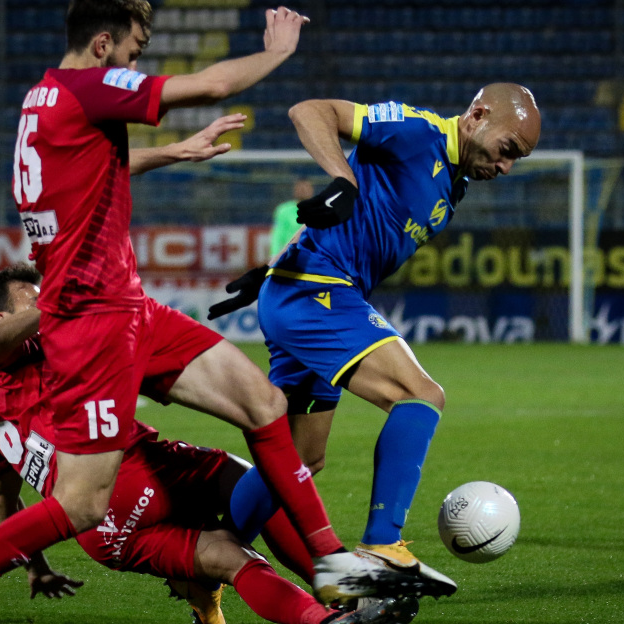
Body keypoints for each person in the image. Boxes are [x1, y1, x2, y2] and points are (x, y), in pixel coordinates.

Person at [0, 3, 442, 624]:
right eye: (136, 46)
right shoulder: (85, 87)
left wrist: (173, 153)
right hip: (92, 323)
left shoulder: (42, 101)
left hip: (131, 310)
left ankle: (331, 561)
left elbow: (96, 168)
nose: (138, 59)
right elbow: (210, 85)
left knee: (263, 403)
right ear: (102, 43)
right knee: (83, 506)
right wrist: (277, 52)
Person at [0, 264, 419, 624]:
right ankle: (347, 585)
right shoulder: (10, 353)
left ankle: (325, 621)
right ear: (6, 316)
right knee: (263, 479)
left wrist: (37, 565)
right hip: (124, 473)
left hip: (107, 531)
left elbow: (3, 497)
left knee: (228, 555)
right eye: (36, 297)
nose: (51, 301)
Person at [208, 84, 541, 582]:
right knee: (420, 394)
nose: (507, 166)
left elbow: (346, 226)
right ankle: (383, 543)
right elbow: (310, 108)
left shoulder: (454, 183)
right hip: (316, 291)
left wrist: (272, 268)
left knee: (301, 457)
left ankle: (204, 560)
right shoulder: (415, 130)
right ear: (477, 115)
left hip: (304, 288)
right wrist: (341, 178)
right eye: (508, 149)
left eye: (517, 159)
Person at [269, 178, 315, 258]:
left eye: (306, 187)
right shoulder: (284, 210)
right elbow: (277, 235)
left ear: (312, 190)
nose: (303, 190)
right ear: (295, 191)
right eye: (300, 188)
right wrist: (274, 255)